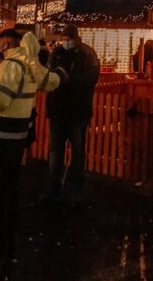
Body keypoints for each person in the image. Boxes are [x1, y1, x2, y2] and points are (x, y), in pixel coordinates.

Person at [0, 29, 60, 264]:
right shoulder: (30, 64)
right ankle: (8, 228)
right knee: (9, 185)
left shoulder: (10, 64)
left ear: (7, 43)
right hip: (17, 134)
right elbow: (50, 82)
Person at [40, 24, 100, 209]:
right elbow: (48, 73)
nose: (65, 42)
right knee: (55, 154)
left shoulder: (87, 54)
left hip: (77, 111)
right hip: (58, 111)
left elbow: (91, 78)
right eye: (63, 39)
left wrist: (68, 79)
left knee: (78, 154)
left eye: (68, 39)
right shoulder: (57, 53)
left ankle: (76, 192)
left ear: (75, 38)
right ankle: (53, 190)